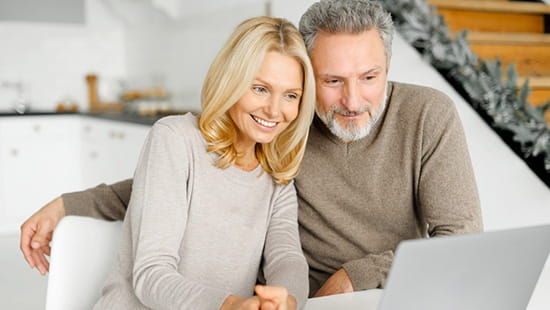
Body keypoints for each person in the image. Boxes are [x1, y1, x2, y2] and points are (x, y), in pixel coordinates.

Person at [21, 0, 483, 300]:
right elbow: (180, 185)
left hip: (382, 294)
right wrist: (69, 204)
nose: (353, 101)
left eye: (370, 76)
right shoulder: (248, 136)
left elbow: (462, 240)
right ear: (309, 75)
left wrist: (337, 282)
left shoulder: (421, 116)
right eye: (332, 81)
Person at [69, 16, 315, 310]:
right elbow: (151, 274)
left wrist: (286, 300)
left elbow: (287, 258)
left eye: (290, 95)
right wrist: (230, 305)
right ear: (231, 81)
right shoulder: (175, 139)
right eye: (260, 88)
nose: (275, 110)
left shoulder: (277, 175)